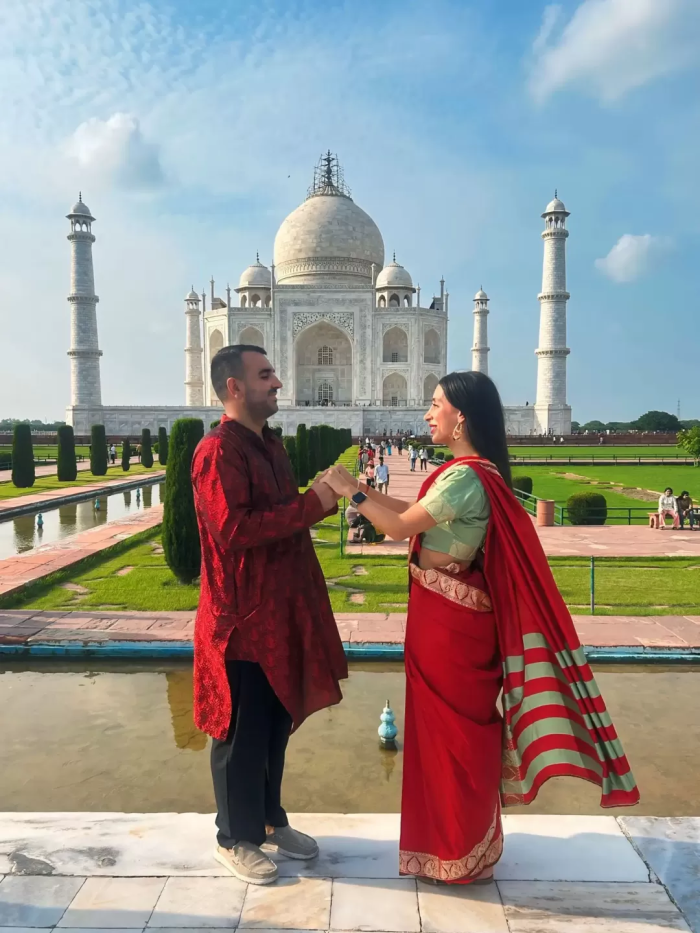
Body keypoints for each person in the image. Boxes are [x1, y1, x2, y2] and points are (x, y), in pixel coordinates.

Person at [322, 370, 639, 885]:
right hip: (448, 618)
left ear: (460, 416)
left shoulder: (468, 476)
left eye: (435, 404)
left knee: (453, 738)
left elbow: (400, 528)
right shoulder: (465, 472)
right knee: (442, 735)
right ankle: (456, 848)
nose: (427, 413)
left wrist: (351, 499)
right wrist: (359, 485)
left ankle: (457, 851)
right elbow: (414, 513)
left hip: (451, 630)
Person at [191, 344, 347, 886]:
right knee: (240, 730)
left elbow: (281, 522)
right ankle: (233, 838)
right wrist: (314, 503)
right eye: (265, 375)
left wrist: (314, 499)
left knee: (275, 725)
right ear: (234, 387)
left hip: (278, 613)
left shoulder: (269, 447)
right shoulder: (217, 452)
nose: (278, 382)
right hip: (240, 619)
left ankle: (268, 820)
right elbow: (234, 531)